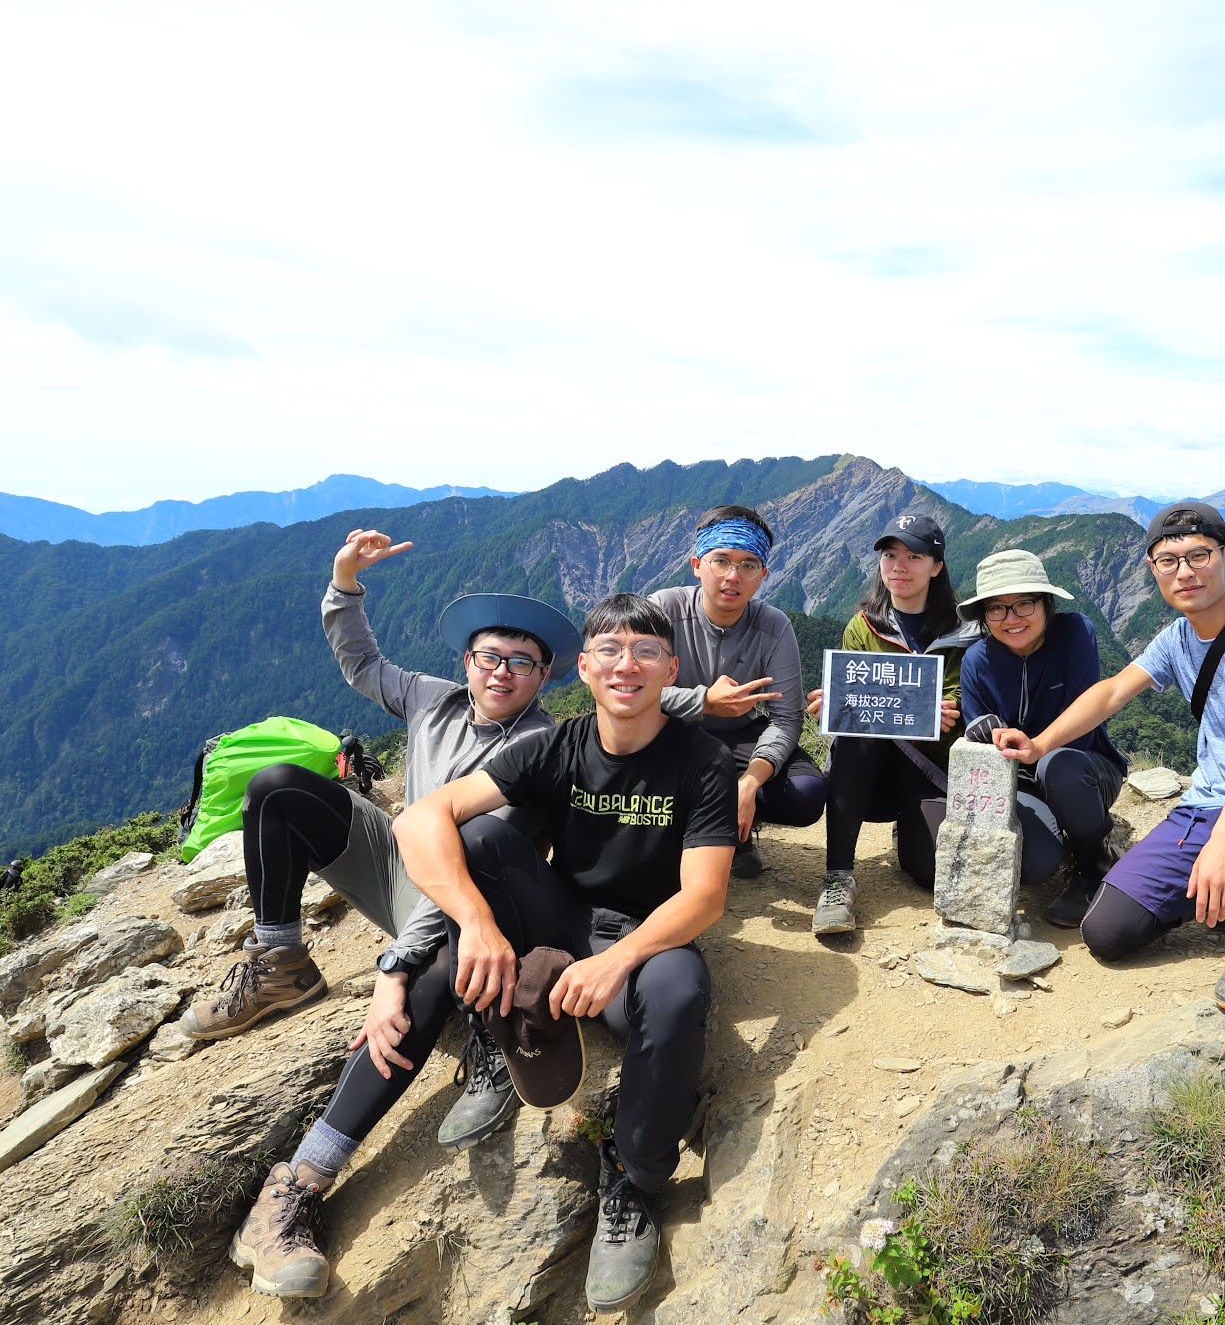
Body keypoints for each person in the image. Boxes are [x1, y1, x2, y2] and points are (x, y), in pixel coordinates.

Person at [230, 594, 736, 1313]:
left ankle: (633, 1175)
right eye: (612, 651)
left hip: (645, 937)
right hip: (559, 916)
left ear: (671, 667)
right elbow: (424, 817)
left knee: (681, 990)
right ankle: (492, 1032)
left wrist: (616, 960)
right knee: (483, 840)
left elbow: (705, 896)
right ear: (586, 669)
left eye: (646, 650)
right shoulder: (555, 745)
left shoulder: (702, 761)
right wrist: (477, 922)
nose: (629, 664)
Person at [183, 530, 583, 1189]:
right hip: (397, 861)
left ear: (544, 676)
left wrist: (394, 968)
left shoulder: (537, 746)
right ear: (466, 661)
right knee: (275, 786)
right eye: (490, 656)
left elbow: (464, 872)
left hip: (462, 898)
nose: (503, 670)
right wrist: (344, 582)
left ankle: (309, 1172)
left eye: (522, 661)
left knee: (431, 973)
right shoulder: (432, 698)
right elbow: (361, 664)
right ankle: (280, 960)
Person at [993, 501, 1225, 1014]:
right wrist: (1041, 744)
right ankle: (1223, 889)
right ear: (1153, 569)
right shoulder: (1179, 637)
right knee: (1106, 932)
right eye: (1168, 561)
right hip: (1204, 808)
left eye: (1199, 555)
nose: (1185, 572)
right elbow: (1112, 692)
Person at [806, 513, 978, 936]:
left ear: (936, 567)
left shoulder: (963, 631)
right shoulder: (862, 625)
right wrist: (837, 703)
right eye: (889, 555)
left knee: (928, 872)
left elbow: (961, 703)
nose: (898, 566)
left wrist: (946, 711)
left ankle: (910, 831)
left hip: (927, 766)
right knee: (856, 737)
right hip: (867, 773)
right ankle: (838, 877)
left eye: (914, 556)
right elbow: (852, 696)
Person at [956, 549, 1129, 928]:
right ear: (984, 616)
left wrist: (1038, 746)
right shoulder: (976, 661)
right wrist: (984, 729)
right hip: (1020, 783)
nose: (1011, 619)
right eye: (996, 609)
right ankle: (1067, 840)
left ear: (1046, 604)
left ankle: (1092, 864)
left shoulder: (1075, 633)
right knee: (1034, 868)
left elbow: (1084, 724)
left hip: (1085, 768)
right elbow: (978, 736)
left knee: (1058, 764)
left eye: (1024, 604)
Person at [652, 504, 826, 878]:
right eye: (721, 561)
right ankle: (701, 837)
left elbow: (786, 717)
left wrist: (750, 782)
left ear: (762, 575)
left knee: (806, 794)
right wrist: (704, 701)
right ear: (697, 564)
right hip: (668, 736)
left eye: (748, 565)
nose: (733, 576)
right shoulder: (663, 610)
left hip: (741, 741)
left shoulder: (774, 626)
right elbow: (626, 693)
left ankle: (735, 831)